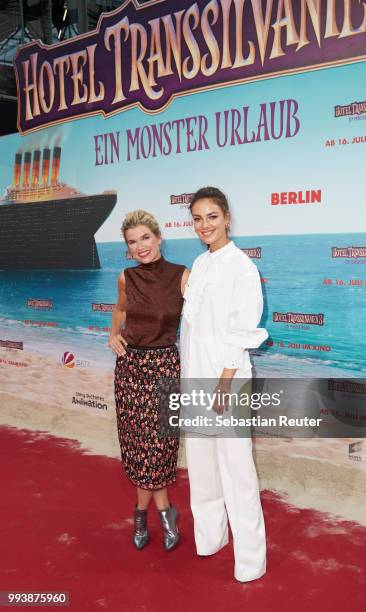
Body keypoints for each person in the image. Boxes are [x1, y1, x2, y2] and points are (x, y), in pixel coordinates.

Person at [180, 186, 268, 582]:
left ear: (227, 217)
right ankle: (210, 539)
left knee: (237, 471)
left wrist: (223, 383)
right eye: (197, 218)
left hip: (227, 383)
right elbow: (194, 328)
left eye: (212, 217)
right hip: (195, 378)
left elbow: (242, 331)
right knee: (201, 466)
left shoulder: (242, 268)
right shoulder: (199, 265)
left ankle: (250, 560)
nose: (205, 225)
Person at [109, 210, 189, 551]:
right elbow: (121, 311)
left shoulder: (182, 276)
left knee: (159, 449)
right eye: (132, 241)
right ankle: (162, 514)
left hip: (164, 368)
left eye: (145, 238)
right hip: (130, 369)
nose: (140, 246)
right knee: (138, 448)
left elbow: (203, 319)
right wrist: (113, 335)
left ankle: (144, 514)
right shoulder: (126, 277)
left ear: (159, 238)